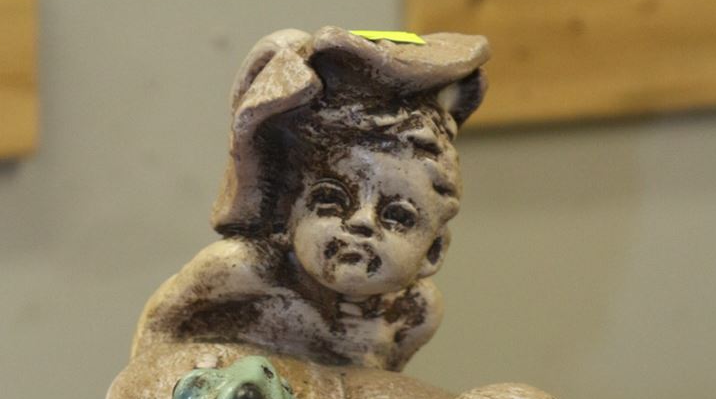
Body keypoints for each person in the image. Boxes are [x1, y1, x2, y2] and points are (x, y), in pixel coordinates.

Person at [131, 27, 488, 371]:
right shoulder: (241, 269)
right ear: (290, 212)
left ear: (433, 251)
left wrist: (366, 355)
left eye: (397, 216)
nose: (361, 222)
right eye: (331, 200)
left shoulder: (412, 312)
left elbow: (379, 393)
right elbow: (155, 334)